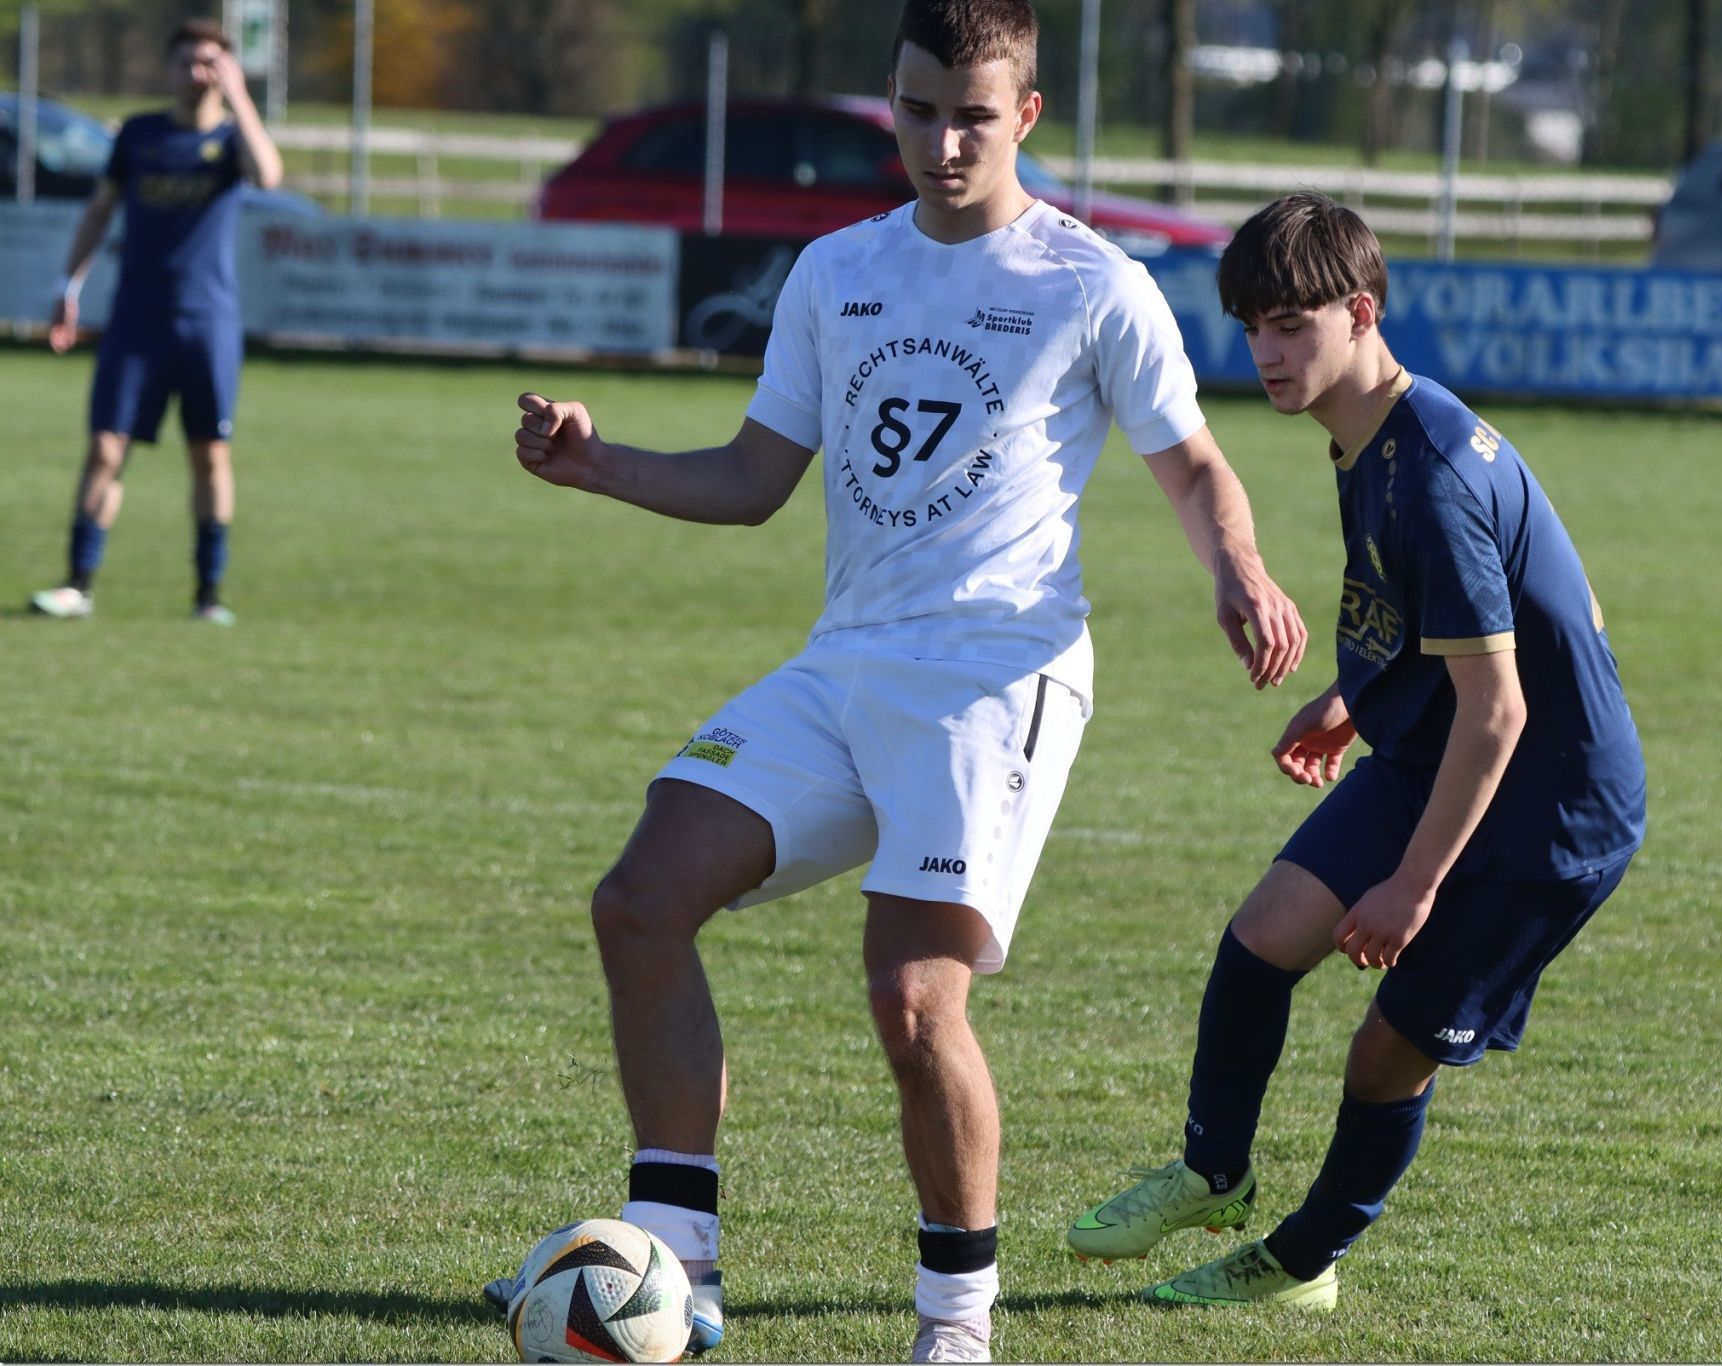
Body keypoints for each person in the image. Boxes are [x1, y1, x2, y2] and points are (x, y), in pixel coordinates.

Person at [487, 2, 1306, 1360]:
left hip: (995, 678)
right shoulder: (834, 273)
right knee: (640, 900)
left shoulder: (1090, 283)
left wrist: (1241, 569)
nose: (943, 142)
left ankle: (957, 1326)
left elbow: (1197, 462)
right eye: (920, 111)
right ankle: (679, 1272)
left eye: (974, 115)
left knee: (915, 997)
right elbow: (755, 480)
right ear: (894, 100)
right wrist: (597, 461)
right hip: (846, 666)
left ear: (1026, 115)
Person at [1066, 192, 1647, 1310]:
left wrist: (1410, 887)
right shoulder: (1364, 430)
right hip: (1436, 754)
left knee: (1384, 1052)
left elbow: (1501, 710)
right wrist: (1353, 694)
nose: (1266, 354)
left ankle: (1298, 1261)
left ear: (1359, 310)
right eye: (1250, 327)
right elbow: (1467, 624)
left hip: (1544, 813)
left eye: (1290, 325)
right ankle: (1213, 1170)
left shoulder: (1428, 473)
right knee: (1260, 937)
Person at [28, 17, 283, 625]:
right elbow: (99, 210)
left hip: (207, 323)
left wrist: (240, 96)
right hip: (136, 320)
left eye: (210, 62)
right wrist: (70, 285)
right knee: (106, 447)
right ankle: (77, 584)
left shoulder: (229, 141)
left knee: (210, 456)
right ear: (169, 69)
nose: (198, 73)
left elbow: (269, 176)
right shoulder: (140, 134)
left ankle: (207, 595)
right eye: (189, 61)